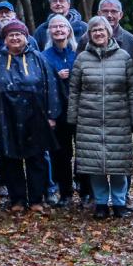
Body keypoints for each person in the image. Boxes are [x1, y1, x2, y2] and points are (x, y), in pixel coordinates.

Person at [68, 16, 133, 219]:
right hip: (88, 119)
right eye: (94, 31)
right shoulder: (82, 58)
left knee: (118, 164)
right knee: (95, 164)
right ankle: (100, 203)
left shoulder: (124, 57)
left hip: (118, 118)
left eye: (102, 30)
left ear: (109, 32)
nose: (98, 33)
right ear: (89, 35)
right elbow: (74, 91)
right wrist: (72, 118)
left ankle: (119, 203)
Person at [0, 20, 59, 213]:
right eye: (11, 35)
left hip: (35, 114)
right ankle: (17, 199)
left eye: (18, 34)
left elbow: (51, 86)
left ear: (26, 37)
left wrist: (51, 115)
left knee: (37, 157)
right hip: (5, 114)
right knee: (10, 157)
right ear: (5, 39)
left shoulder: (38, 58)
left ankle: (36, 199)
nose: (15, 38)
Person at [42, 15, 79, 206]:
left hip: (80, 109)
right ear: (49, 31)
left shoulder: (78, 53)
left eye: (62, 26)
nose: (58, 30)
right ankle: (65, 192)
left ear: (69, 30)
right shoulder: (44, 56)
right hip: (58, 111)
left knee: (83, 152)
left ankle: (85, 190)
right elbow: (41, 83)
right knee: (61, 153)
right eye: (54, 27)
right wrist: (56, 76)